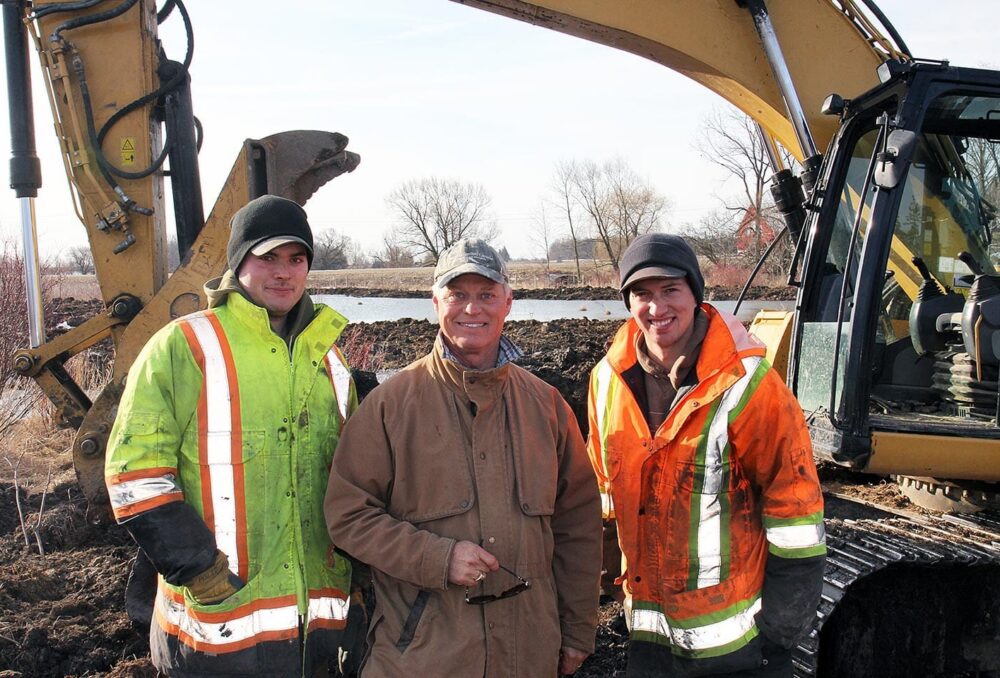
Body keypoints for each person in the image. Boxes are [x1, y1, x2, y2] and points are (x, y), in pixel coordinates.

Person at [324, 238, 602, 677]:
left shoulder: (546, 405)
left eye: (486, 294)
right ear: (436, 302)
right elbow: (347, 515)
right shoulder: (389, 405)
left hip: (528, 656)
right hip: (420, 659)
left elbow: (579, 526)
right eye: (458, 294)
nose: (472, 309)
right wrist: (438, 558)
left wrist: (576, 631)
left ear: (508, 302)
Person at [105, 194, 358, 676]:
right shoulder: (184, 346)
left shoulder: (331, 361)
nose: (283, 272)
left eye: (296, 259)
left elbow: (355, 480)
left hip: (317, 632)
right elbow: (134, 474)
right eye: (268, 257)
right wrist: (199, 571)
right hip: (215, 631)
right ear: (239, 262)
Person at [587, 233, 826, 677]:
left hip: (737, 649)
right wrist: (604, 588)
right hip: (648, 639)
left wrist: (781, 632)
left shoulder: (747, 382)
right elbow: (604, 494)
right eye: (642, 294)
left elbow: (796, 517)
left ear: (695, 295)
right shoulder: (606, 381)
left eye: (670, 290)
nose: (656, 308)